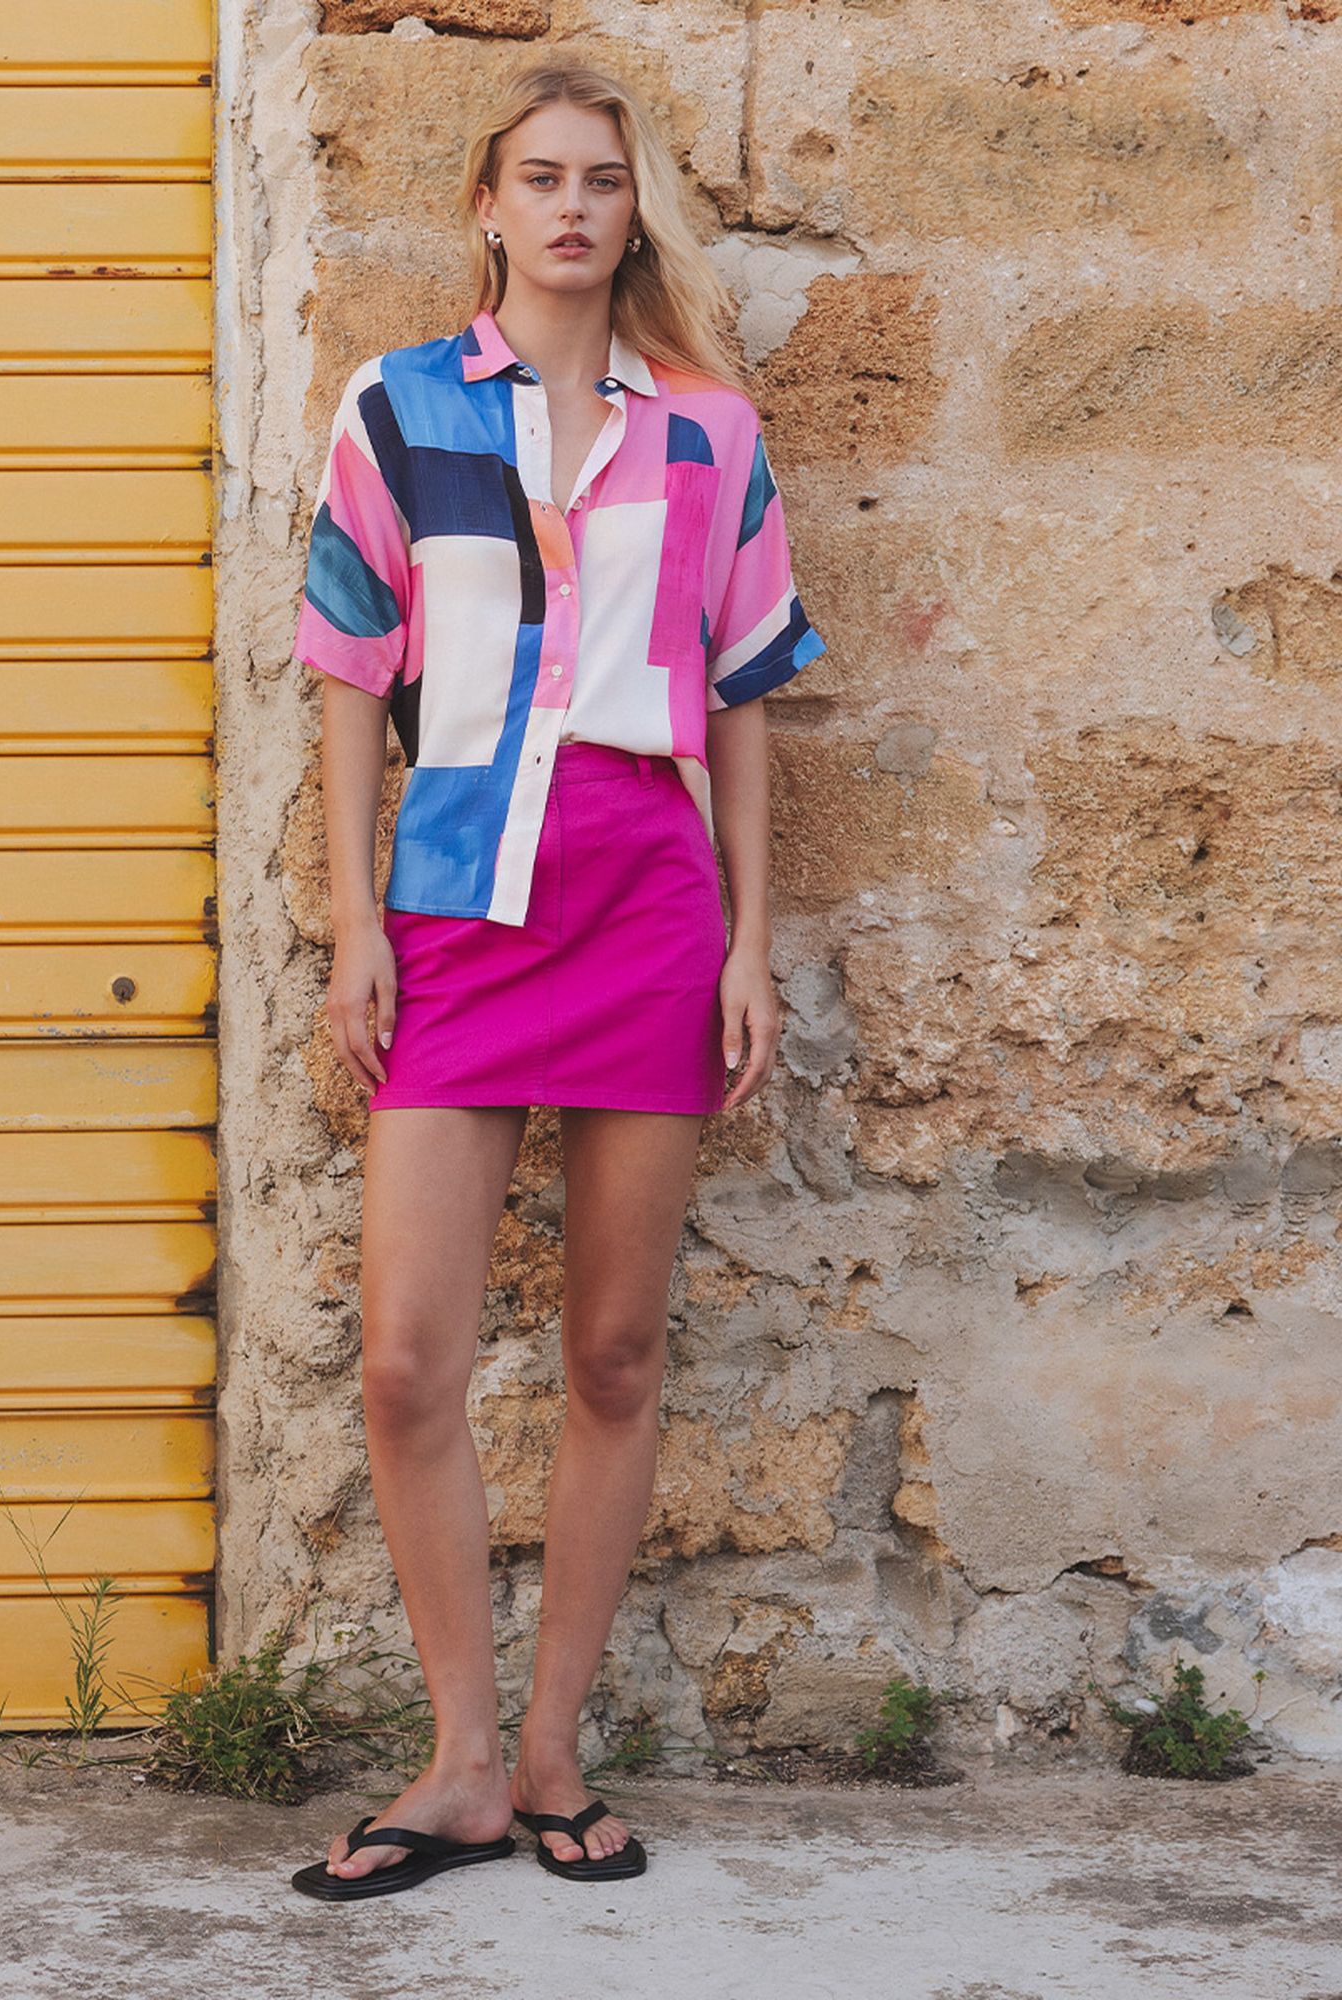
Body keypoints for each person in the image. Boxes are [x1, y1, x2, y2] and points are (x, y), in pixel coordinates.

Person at [286, 58, 827, 1902]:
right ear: (488, 205)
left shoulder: (712, 436)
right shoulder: (401, 407)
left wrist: (752, 939)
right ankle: (449, 1760)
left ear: (632, 208)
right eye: (542, 177)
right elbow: (352, 670)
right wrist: (355, 920)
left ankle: (548, 1752)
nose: (575, 208)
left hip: (647, 905)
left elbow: (746, 696)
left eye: (605, 179)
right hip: (452, 893)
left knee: (611, 1350)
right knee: (406, 1359)